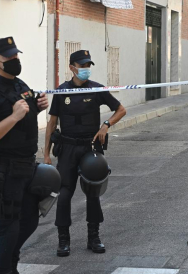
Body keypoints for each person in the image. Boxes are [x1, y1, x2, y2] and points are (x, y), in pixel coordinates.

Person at [44, 50, 126, 257]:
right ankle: (63, 240)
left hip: (90, 148)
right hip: (68, 149)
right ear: (72, 67)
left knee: (93, 193)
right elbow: (52, 124)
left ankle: (94, 237)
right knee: (64, 195)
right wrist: (45, 154)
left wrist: (106, 125)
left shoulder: (97, 89)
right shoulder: (62, 92)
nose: (86, 70)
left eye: (88, 66)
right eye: (82, 66)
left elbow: (121, 110)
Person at [0, 36, 49, 274]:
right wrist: (13, 117)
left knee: (30, 220)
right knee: (7, 225)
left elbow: (26, 117)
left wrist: (40, 105)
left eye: (16, 55)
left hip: (27, 165)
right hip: (5, 168)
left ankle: (11, 261)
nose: (15, 60)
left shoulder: (20, 84)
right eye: (9, 57)